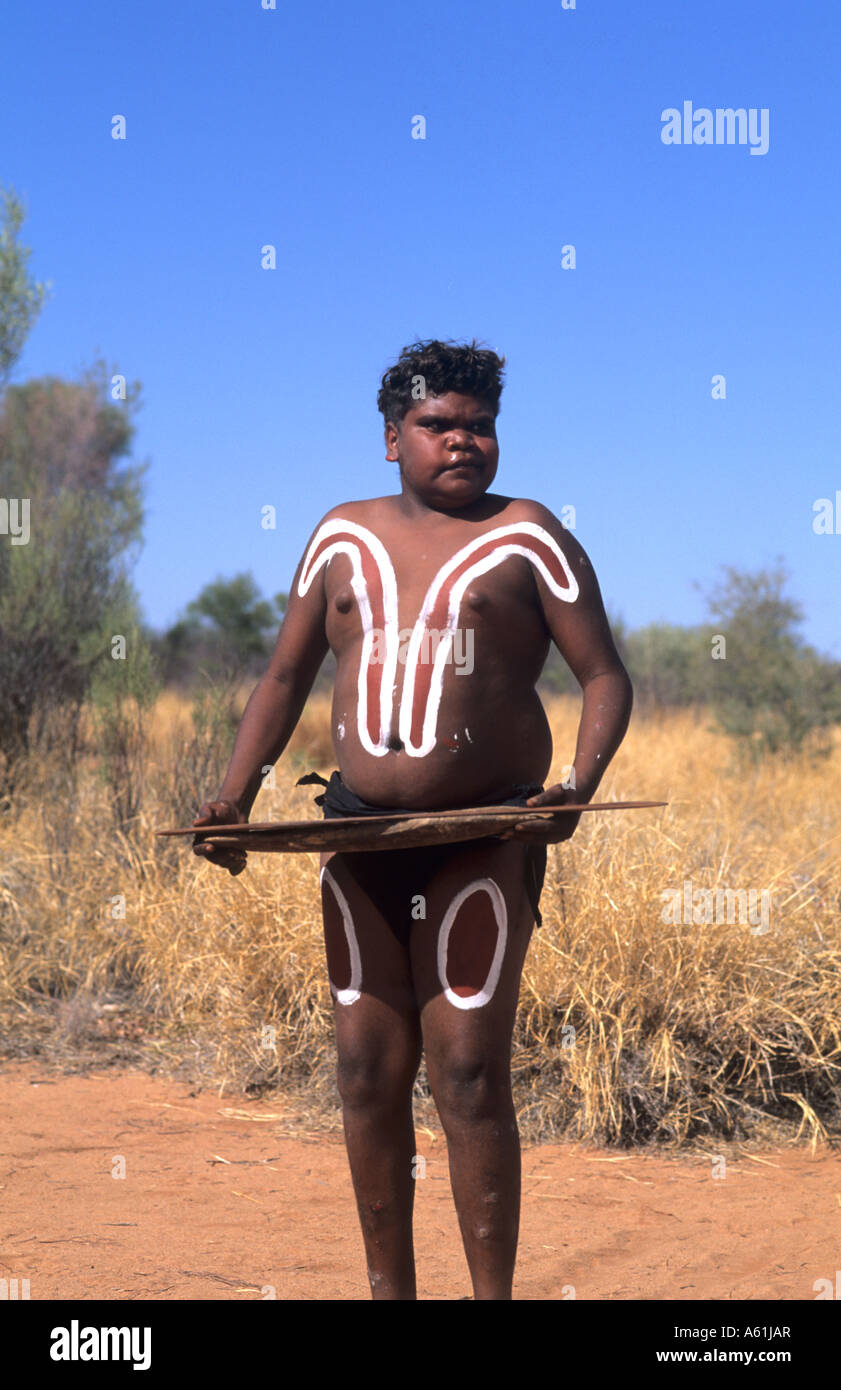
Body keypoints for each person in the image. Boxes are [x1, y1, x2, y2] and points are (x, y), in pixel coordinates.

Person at [192, 338, 633, 1300]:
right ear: (391, 438)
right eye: (440, 425)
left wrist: (574, 788)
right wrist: (234, 797)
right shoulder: (340, 536)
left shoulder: (529, 537)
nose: (464, 442)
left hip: (480, 836)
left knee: (469, 1072)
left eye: (481, 426)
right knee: (361, 1069)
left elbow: (603, 675)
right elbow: (283, 676)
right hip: (357, 838)